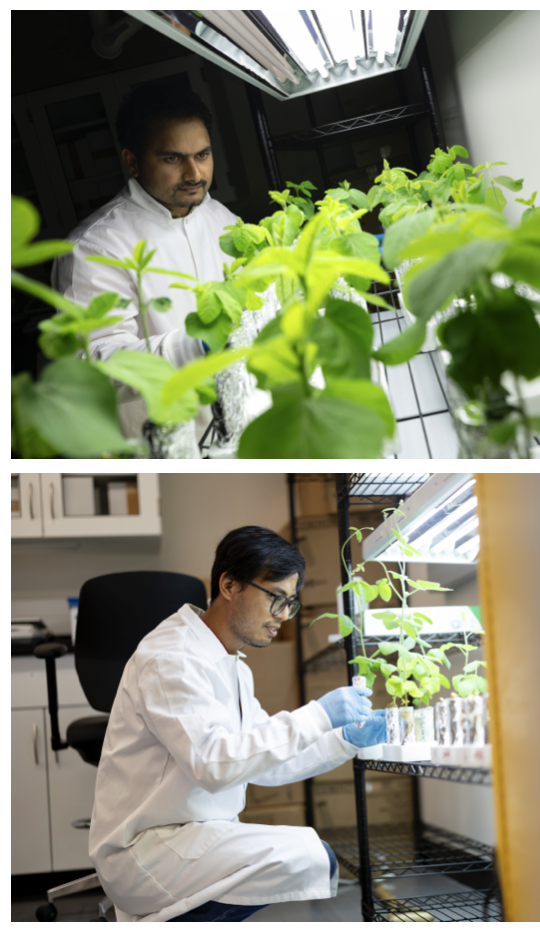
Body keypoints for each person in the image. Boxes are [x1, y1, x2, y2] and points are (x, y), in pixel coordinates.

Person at [89, 527, 388, 922]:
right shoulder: (172, 658)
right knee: (309, 857)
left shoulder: (230, 663)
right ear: (229, 585)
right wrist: (319, 713)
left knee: (310, 856)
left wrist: (344, 740)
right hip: (146, 850)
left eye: (290, 603)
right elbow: (214, 765)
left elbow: (267, 760)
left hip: (189, 836)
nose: (283, 615)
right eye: (275, 598)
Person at [51, 81, 239, 443]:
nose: (194, 174)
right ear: (132, 162)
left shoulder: (222, 218)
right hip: (163, 446)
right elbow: (92, 362)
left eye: (202, 155)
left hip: (238, 428)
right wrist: (190, 347)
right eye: (172, 158)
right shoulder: (94, 247)